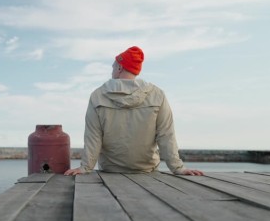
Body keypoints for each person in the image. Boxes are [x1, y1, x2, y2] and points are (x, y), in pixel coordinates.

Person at [64, 46, 203, 176]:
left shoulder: (97, 95)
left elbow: (93, 136)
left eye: (113, 67)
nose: (112, 71)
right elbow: (166, 135)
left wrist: (85, 167)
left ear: (119, 67)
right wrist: (178, 168)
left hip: (111, 172)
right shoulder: (157, 94)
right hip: (147, 171)